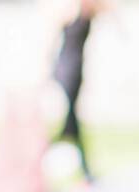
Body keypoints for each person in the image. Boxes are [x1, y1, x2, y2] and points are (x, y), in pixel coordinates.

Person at [51, 0, 106, 181]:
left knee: (69, 126)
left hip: (76, 73)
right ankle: (85, 171)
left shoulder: (89, 9)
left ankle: (84, 171)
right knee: (68, 125)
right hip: (64, 73)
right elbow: (51, 40)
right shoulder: (68, 10)